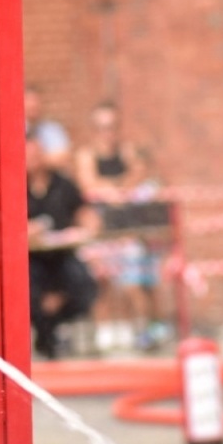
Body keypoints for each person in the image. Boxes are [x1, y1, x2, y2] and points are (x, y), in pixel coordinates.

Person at [74, 102, 162, 350]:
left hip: (127, 229)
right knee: (100, 282)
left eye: (111, 127)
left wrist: (111, 188)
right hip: (101, 229)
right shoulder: (87, 154)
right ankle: (105, 331)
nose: (107, 133)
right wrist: (117, 188)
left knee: (135, 282)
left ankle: (142, 330)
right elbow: (88, 183)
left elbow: (139, 174)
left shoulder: (127, 151)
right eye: (102, 127)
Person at [28, 128, 100, 358]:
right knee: (28, 293)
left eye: (37, 154)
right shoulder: (13, 187)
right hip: (31, 258)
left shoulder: (63, 184)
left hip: (63, 255)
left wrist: (88, 226)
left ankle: (55, 322)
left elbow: (84, 212)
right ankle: (45, 336)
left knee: (84, 286)